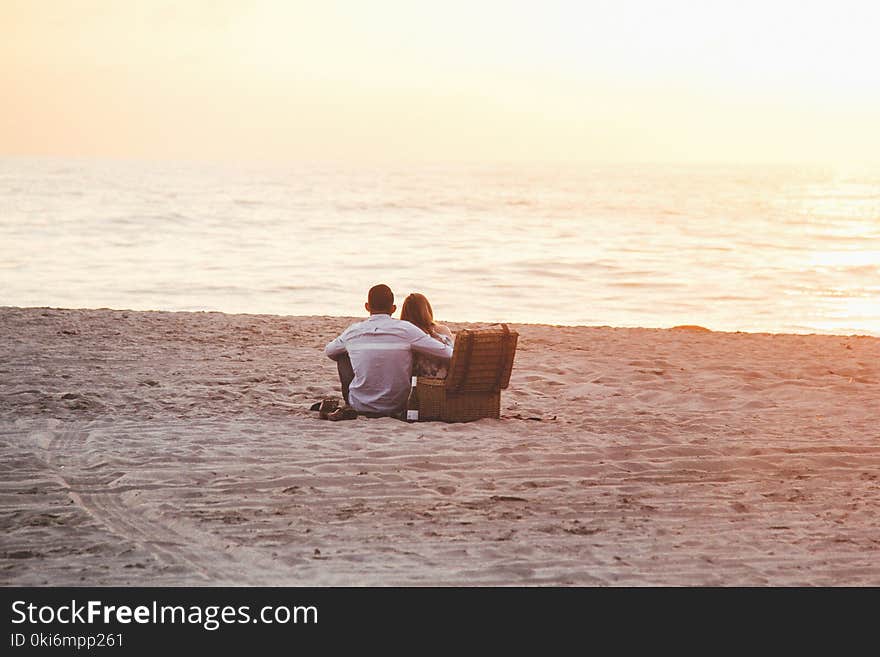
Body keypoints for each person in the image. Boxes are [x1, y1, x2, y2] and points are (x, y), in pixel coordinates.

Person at [323, 284, 453, 419]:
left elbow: (329, 351)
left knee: (342, 355)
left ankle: (350, 402)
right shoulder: (406, 330)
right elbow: (447, 353)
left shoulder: (353, 331)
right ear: (393, 308)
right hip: (398, 405)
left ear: (367, 306)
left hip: (359, 405)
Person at [399, 293, 454, 379]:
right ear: (427, 309)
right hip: (447, 381)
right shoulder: (443, 331)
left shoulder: (406, 335)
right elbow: (454, 354)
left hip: (420, 383)